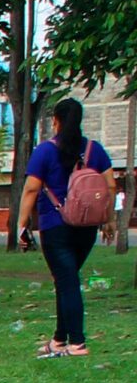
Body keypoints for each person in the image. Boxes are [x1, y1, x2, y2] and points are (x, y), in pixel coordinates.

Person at [17, 96, 115, 358]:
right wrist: (110, 220)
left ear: (56, 121)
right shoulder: (95, 150)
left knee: (68, 281)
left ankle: (77, 343)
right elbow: (110, 185)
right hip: (87, 227)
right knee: (65, 280)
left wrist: (21, 223)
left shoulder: (45, 151)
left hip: (55, 225)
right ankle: (59, 339)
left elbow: (31, 189)